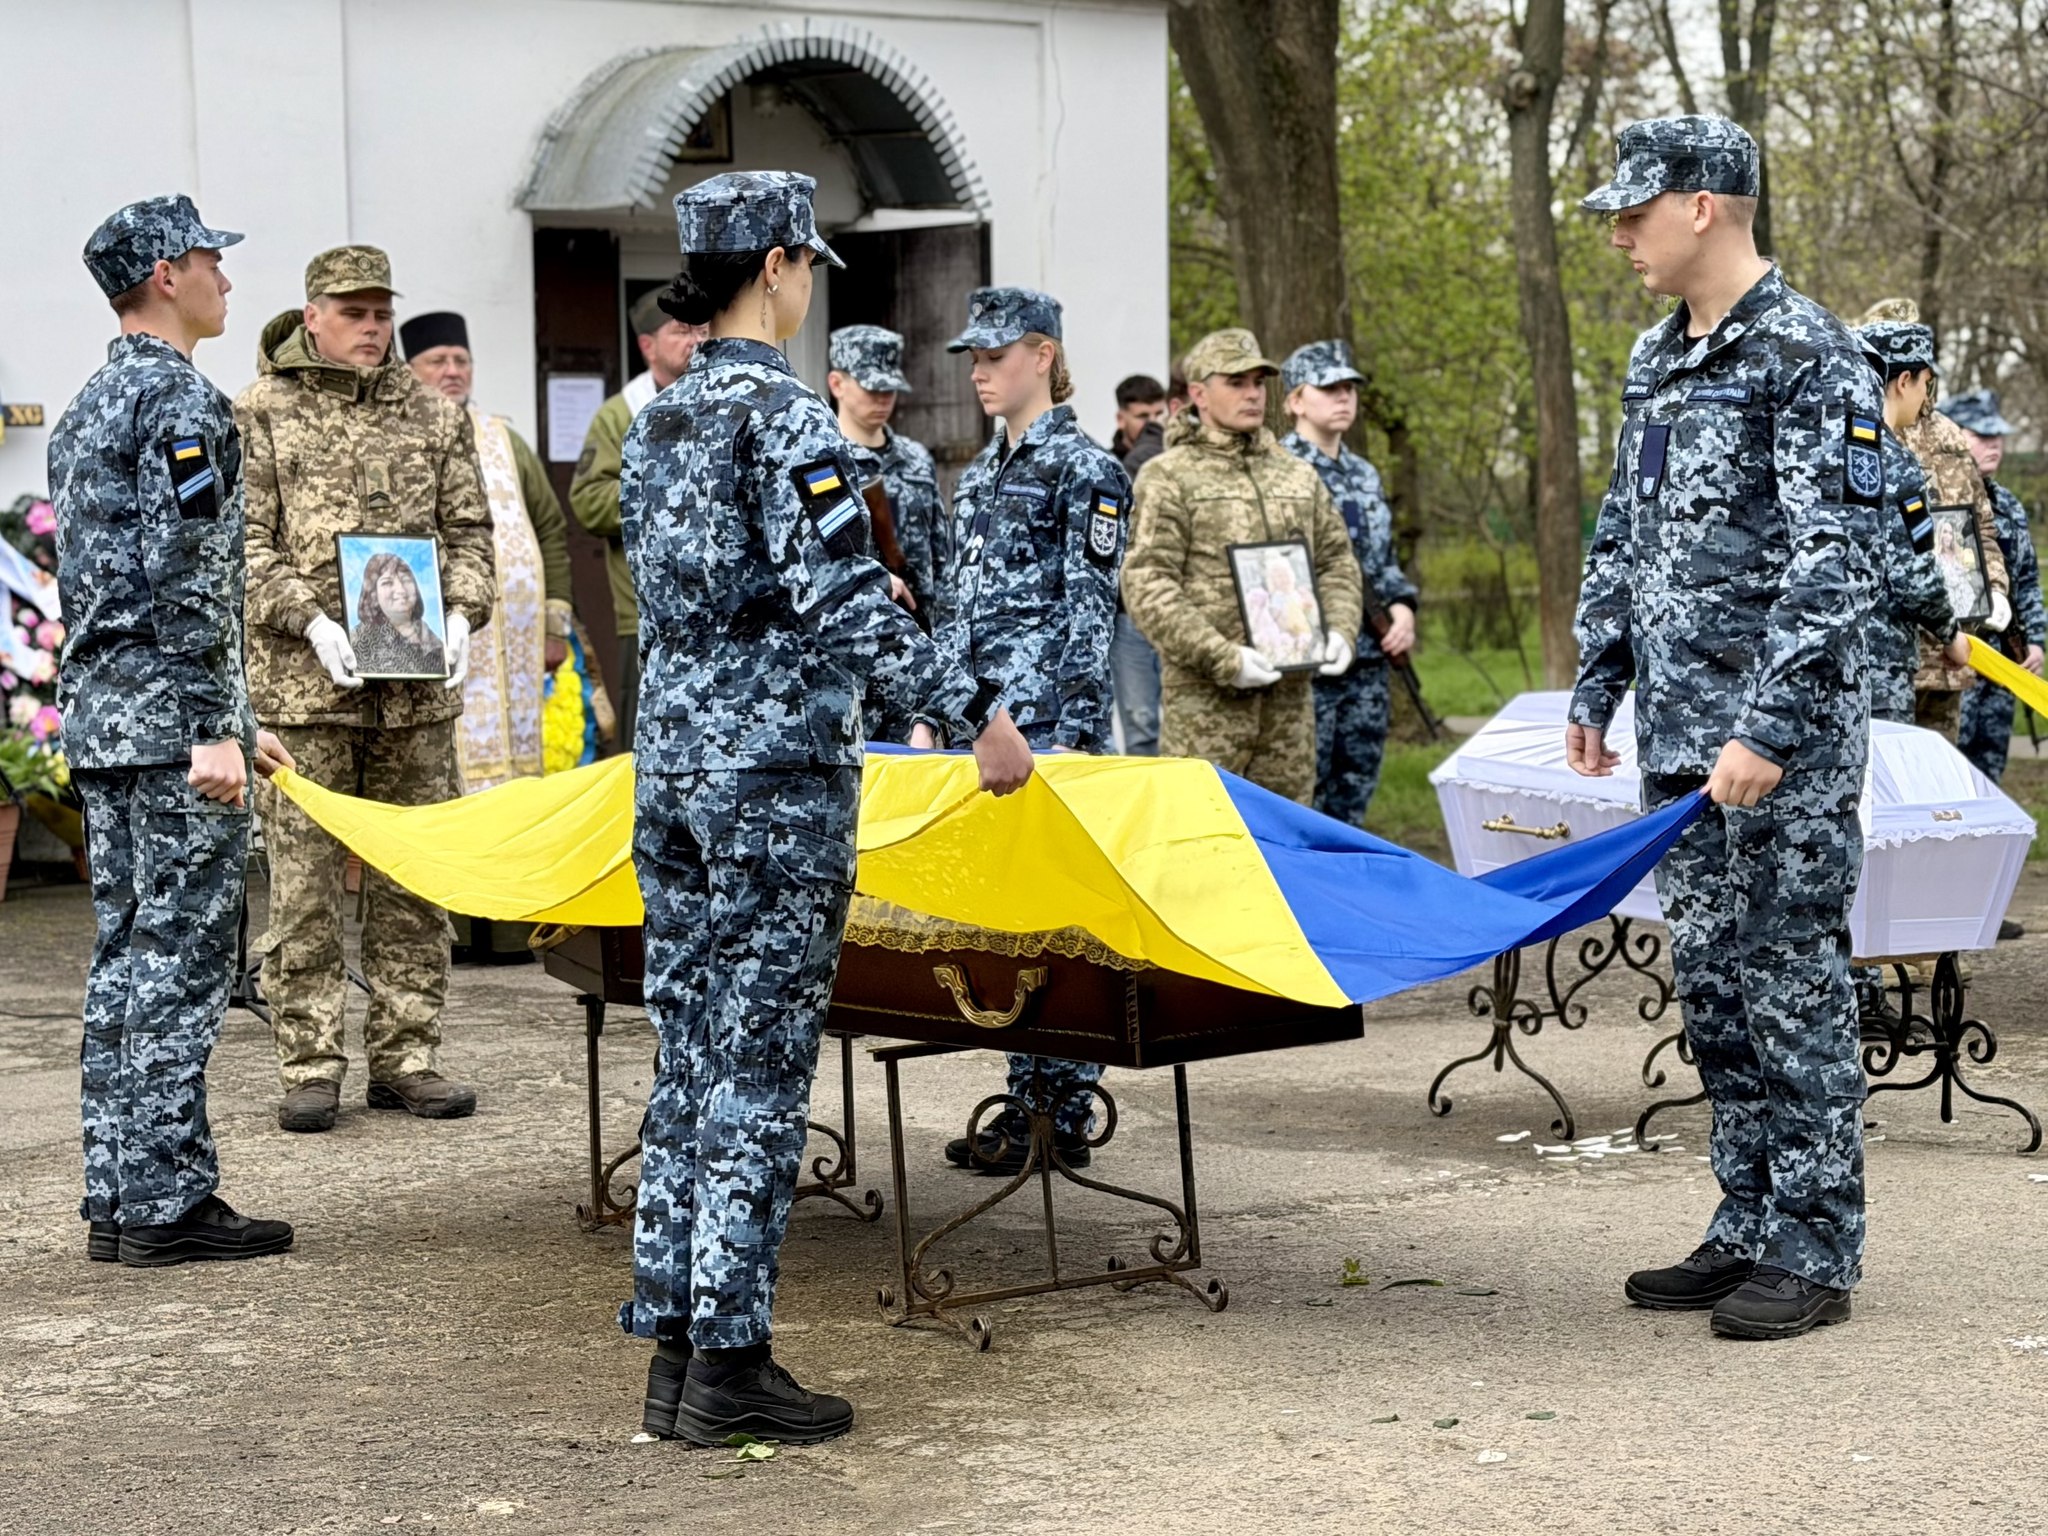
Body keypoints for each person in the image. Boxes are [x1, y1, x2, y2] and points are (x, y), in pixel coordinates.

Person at [618, 171, 1033, 1447]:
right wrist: (977, 713)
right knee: (755, 1063)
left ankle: (675, 1351)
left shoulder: (662, 417)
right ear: (783, 267)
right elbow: (848, 601)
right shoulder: (786, 421)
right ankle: (729, 1362)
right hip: (772, 782)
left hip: (674, 767)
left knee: (687, 1052)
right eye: (807, 265)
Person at [1571, 116, 1881, 1341]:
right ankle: (1745, 1220)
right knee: (1710, 985)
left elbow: (1834, 559)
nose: (1618, 234)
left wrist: (1767, 724)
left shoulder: (1809, 355)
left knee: (1787, 978)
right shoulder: (1657, 354)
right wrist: (1598, 677)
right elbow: (1624, 526)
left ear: (1704, 205)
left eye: (1634, 212)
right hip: (1678, 738)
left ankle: (1814, 1246)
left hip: (1775, 748)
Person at [50, 194, 295, 1266]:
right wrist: (214, 729)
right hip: (168, 733)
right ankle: (165, 1203)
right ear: (162, 274)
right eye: (209, 261)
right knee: (180, 963)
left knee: (123, 960)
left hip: (111, 723)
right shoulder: (183, 408)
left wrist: (244, 719)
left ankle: (121, 1194)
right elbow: (187, 578)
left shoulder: (87, 406)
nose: (226, 282)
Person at [237, 245, 496, 1134]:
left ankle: (408, 1055)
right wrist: (309, 619)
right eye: (354, 312)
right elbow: (246, 547)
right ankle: (310, 1062)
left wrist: (462, 612)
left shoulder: (431, 412)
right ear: (313, 316)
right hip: (307, 689)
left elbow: (468, 530)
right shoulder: (262, 410)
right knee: (304, 884)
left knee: (413, 877)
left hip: (414, 693)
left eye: (382, 311)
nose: (373, 327)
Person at [917, 287, 1129, 1176]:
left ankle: (1062, 1107)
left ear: (1043, 356)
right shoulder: (977, 478)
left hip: (1050, 732)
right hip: (989, 731)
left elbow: (1090, 619)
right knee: (1009, 922)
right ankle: (1025, 1100)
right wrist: (938, 709)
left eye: (996, 358)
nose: (979, 373)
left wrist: (1073, 740)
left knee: (1058, 923)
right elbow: (957, 614)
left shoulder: (1085, 470)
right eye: (972, 359)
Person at [1121, 327, 1363, 804]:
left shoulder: (1296, 473)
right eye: (1236, 382)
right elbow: (1147, 581)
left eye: (1258, 381)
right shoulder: (1169, 476)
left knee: (1287, 848)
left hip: (1290, 709)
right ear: (1198, 394)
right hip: (1206, 706)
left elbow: (1336, 559)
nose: (1253, 393)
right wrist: (1223, 658)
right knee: (1203, 844)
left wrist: (1340, 628)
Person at [403, 309, 575, 788]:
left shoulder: (506, 439)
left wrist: (554, 625)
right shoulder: (399, 441)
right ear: (409, 369)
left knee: (520, 777)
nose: (453, 371)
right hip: (440, 638)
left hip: (518, 640)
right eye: (437, 361)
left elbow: (551, 529)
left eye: (462, 360)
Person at [1855, 303, 2010, 742]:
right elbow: (1913, 571)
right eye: (1925, 380)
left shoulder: (1946, 439)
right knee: (1889, 789)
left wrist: (1992, 591)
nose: (1928, 392)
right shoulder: (1888, 455)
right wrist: (1948, 631)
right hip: (1888, 660)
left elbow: (1980, 528)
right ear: (1905, 380)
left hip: (1936, 662)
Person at [1280, 338, 1417, 826]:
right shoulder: (1280, 472)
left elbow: (1383, 560)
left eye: (1350, 388)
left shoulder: (1363, 473)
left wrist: (1402, 608)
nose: (1344, 398)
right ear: (1296, 400)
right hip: (1309, 661)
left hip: (1369, 659)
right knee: (1302, 794)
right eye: (1329, 388)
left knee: (1355, 788)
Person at [569, 289, 709, 747]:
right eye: (681, 331)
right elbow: (589, 499)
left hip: (720, 611)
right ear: (648, 346)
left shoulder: (721, 398)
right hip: (646, 610)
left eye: (702, 329)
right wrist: (666, 487)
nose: (696, 340)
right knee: (650, 743)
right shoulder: (619, 416)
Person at [1943, 388, 2046, 785]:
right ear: (1953, 436)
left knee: (1988, 779)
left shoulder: (2009, 506)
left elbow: (2026, 583)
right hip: (1954, 664)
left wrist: (2035, 641)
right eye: (1981, 436)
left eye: (1997, 436)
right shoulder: (1936, 501)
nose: (1994, 445)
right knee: (1947, 778)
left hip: (2001, 667)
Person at [1108, 373, 1168, 755]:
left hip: (1172, 607)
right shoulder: (1109, 464)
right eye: (1143, 415)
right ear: (1121, 418)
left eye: (1159, 414)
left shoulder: (1176, 461)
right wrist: (1143, 457)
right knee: (1141, 721)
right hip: (1128, 614)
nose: (1152, 425)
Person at [349, 551, 446, 676]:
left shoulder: (433, 639)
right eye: (387, 582)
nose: (401, 589)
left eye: (405, 580)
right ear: (372, 593)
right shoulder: (357, 643)